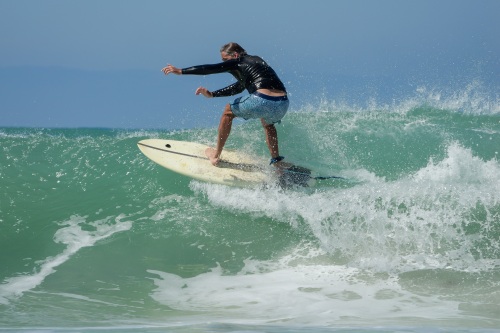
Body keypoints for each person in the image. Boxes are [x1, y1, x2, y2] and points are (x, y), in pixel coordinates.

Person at [161, 42, 289, 167]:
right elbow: (239, 88)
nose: (224, 64)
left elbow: (210, 69)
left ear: (235, 54)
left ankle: (216, 155)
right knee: (268, 125)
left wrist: (180, 71)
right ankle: (276, 161)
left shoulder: (238, 61)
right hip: (282, 103)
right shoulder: (256, 60)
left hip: (262, 99)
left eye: (225, 59)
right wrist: (212, 94)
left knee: (228, 111)